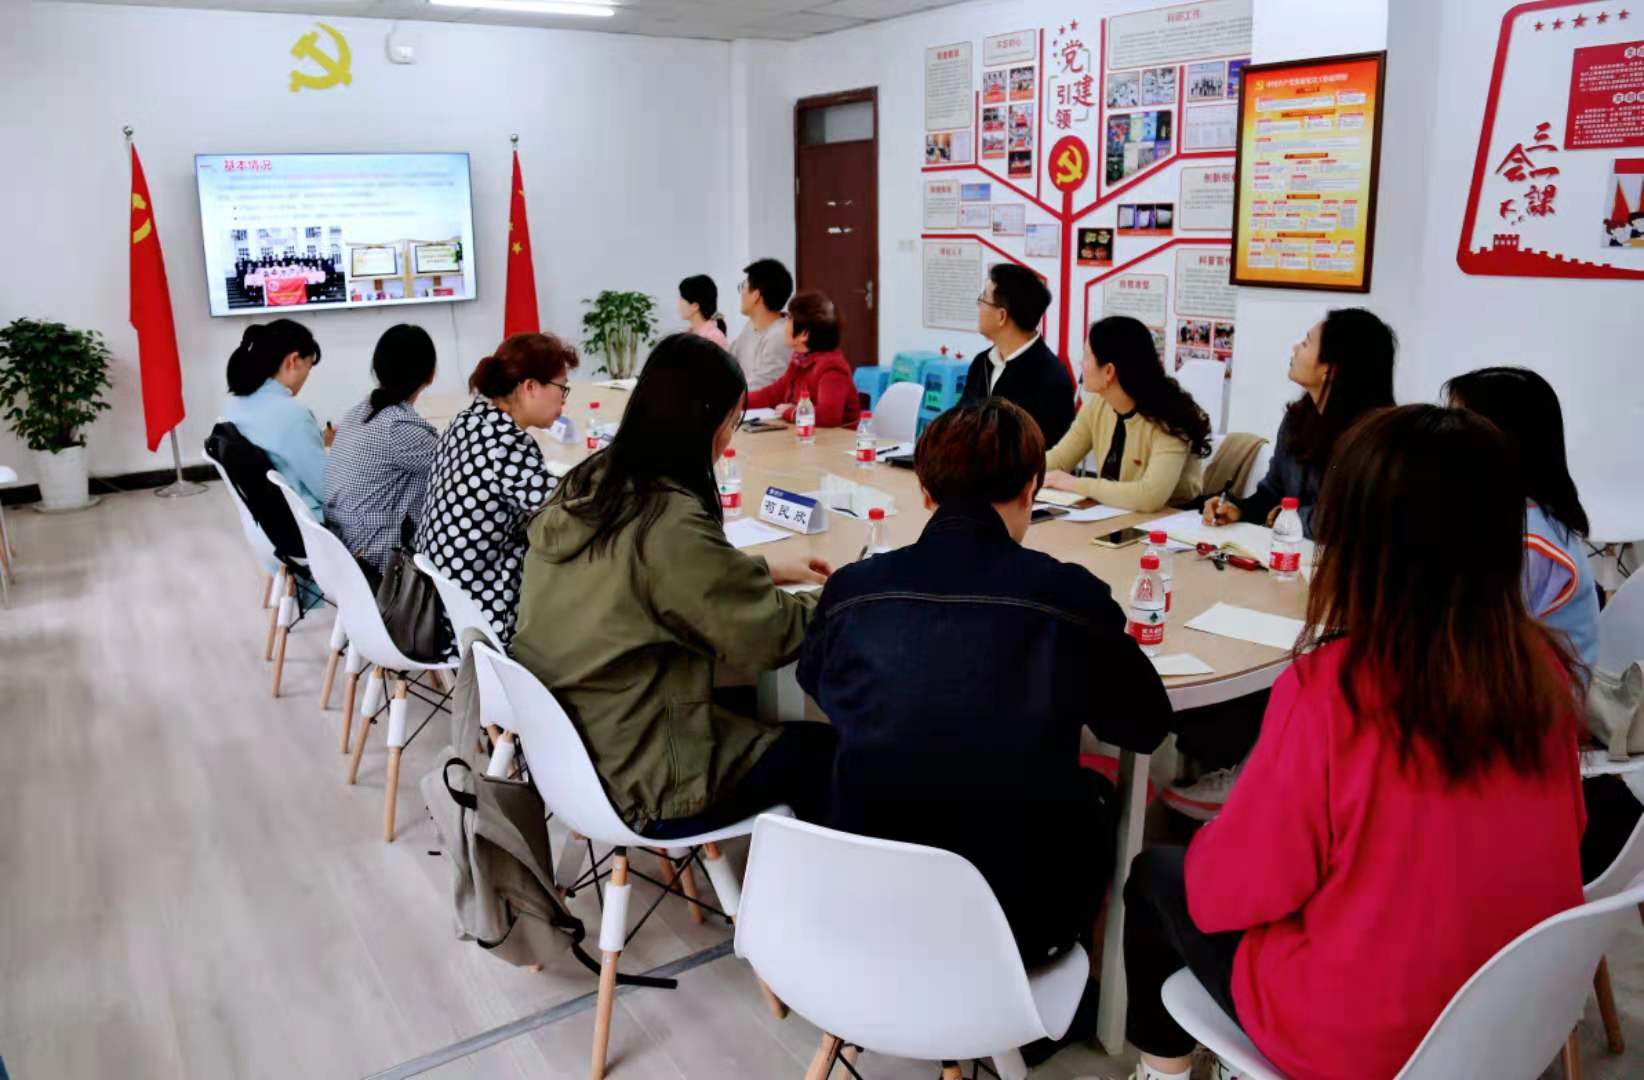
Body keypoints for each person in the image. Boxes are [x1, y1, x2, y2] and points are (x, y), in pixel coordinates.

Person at [1120, 405, 1586, 1080]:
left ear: (1361, 543)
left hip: (1362, 1040)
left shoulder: (1332, 690)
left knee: (1158, 877)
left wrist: (1232, 837)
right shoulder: (1541, 671)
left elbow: (1228, 894)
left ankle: (1158, 1074)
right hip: (1514, 1016)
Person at [799, 399, 1171, 975]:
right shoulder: (1069, 598)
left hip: (868, 905)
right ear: (1031, 489)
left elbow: (817, 681)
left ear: (924, 492)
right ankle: (1086, 993)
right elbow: (1145, 726)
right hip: (1018, 920)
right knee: (1093, 797)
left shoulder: (854, 590)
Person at [511, 333, 836, 838]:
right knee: (826, 753)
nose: (729, 440)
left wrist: (756, 569)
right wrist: (849, 593)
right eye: (731, 422)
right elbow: (771, 636)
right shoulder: (667, 522)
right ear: (704, 422)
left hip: (571, 753)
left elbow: (654, 579)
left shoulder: (592, 482)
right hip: (643, 775)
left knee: (744, 705)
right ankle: (810, 885)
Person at [416, 333, 574, 645]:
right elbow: (564, 514)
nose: (564, 400)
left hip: (440, 603)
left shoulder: (468, 420)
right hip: (483, 615)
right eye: (562, 388)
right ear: (530, 387)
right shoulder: (508, 444)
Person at [1444, 366, 1599, 673]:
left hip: (1537, 697)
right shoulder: (1521, 517)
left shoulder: (1528, 545)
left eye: (1456, 425)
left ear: (1503, 440)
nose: (1441, 437)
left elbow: (1474, 646)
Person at [1203, 308, 1395, 537]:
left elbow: (1348, 523)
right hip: (1287, 552)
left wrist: (1282, 518)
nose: (1295, 348)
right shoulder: (1297, 419)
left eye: (1305, 343)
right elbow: (1272, 493)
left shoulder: (1376, 439)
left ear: (1330, 369)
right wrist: (1239, 509)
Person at [1042, 316, 1210, 511]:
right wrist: (1014, 469)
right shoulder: (1098, 404)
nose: (1081, 364)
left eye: (1087, 357)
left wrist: (1075, 484)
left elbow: (1150, 496)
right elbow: (1060, 459)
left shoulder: (1170, 418)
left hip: (1172, 519)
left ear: (1109, 371)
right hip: (1116, 513)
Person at [324, 324, 440, 578]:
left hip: (343, 549)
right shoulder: (400, 429)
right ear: (430, 375)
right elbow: (459, 466)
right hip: (377, 561)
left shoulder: (358, 412)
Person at [221, 318, 329, 518]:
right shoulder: (293, 415)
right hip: (310, 521)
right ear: (293, 361)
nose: (306, 377)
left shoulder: (234, 404)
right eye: (308, 368)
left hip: (271, 520)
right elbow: (328, 490)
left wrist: (318, 437)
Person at [960, 264, 1076, 446]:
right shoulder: (981, 362)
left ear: (1001, 316)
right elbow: (960, 422)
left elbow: (1047, 451)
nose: (979, 306)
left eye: (983, 299)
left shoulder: (1051, 378)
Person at [745, 290, 861, 429]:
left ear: (804, 334)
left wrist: (791, 412)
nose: (784, 323)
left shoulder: (831, 368)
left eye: (789, 318)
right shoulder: (800, 358)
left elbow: (828, 416)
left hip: (835, 440)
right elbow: (775, 393)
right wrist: (738, 402)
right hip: (808, 436)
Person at [729, 257, 794, 392]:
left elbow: (762, 387)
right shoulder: (751, 326)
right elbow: (727, 362)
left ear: (756, 295)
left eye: (743, 286)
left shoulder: (780, 335)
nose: (741, 293)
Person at [678, 274, 728, 348]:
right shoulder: (686, 335)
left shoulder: (713, 338)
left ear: (695, 306)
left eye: (682, 298)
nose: (678, 303)